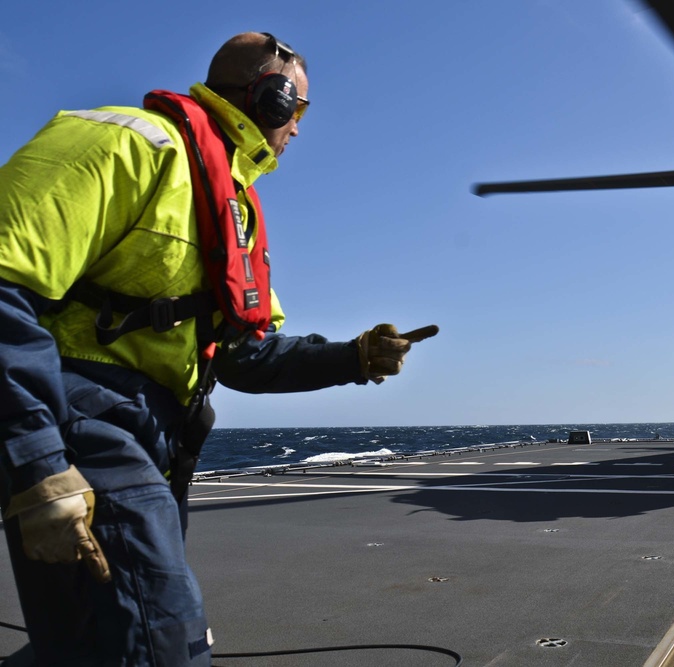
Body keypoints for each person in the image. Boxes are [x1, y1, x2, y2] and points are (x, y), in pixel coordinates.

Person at [0, 32, 437, 665]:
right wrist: (38, 462)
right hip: (78, 418)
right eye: (300, 110)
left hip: (156, 436)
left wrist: (353, 357)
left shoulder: (231, 206)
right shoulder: (125, 141)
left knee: (89, 642)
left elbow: (243, 356)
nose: (300, 129)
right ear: (273, 99)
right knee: (161, 638)